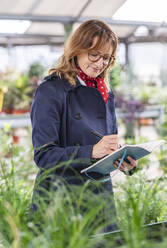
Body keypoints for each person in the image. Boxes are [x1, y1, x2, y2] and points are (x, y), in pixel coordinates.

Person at [30, 20, 137, 232]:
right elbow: (44, 156)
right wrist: (91, 151)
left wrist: (121, 159)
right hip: (62, 200)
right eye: (94, 54)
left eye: (106, 58)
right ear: (76, 50)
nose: (100, 63)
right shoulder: (51, 91)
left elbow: (105, 143)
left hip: (100, 199)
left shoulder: (105, 93)